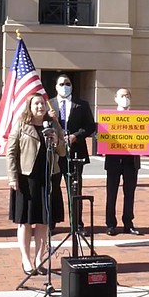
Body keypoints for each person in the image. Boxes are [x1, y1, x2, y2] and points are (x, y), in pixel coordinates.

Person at [7, 94, 66, 276]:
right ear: (30, 106)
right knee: (25, 221)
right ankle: (25, 258)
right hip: (26, 178)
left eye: (42, 103)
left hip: (48, 177)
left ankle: (40, 258)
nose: (40, 106)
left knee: (43, 221)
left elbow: (63, 152)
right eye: (36, 104)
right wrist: (12, 177)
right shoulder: (21, 124)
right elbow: (11, 152)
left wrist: (57, 140)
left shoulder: (53, 124)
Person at [48, 73, 96, 231]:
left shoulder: (81, 105)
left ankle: (77, 224)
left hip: (75, 153)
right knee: (53, 188)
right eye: (61, 84)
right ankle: (52, 222)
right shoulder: (49, 105)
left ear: (71, 86)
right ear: (56, 87)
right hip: (54, 153)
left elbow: (90, 126)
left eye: (67, 83)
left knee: (74, 189)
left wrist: (76, 136)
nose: (64, 87)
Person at [104, 88, 142, 236]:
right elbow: (100, 137)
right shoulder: (109, 117)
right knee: (111, 192)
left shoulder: (139, 118)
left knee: (130, 193)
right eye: (122, 96)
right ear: (116, 99)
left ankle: (128, 223)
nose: (124, 98)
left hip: (131, 160)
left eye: (127, 96)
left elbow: (144, 139)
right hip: (113, 160)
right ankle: (110, 224)